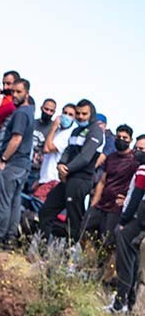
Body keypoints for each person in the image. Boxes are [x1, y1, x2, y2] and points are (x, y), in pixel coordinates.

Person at [37, 99, 105, 243]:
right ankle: (42, 250)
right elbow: (68, 150)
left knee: (73, 220)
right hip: (67, 178)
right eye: (78, 113)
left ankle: (70, 258)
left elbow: (85, 157)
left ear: (91, 114)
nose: (80, 116)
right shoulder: (76, 130)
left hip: (81, 180)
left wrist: (67, 168)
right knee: (46, 211)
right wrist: (61, 164)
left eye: (84, 114)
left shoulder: (96, 131)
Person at [0, 78, 35, 248]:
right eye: (13, 91)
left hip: (13, 162)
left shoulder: (20, 113)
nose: (15, 95)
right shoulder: (29, 113)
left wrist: (4, 158)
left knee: (3, 200)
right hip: (23, 164)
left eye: (19, 92)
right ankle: (9, 238)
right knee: (14, 202)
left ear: (27, 93)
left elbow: (16, 138)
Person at [85, 126, 140, 246]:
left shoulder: (135, 160)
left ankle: (104, 264)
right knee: (85, 231)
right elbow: (102, 181)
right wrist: (94, 203)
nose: (121, 140)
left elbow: (138, 185)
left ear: (130, 140)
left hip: (116, 207)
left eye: (125, 138)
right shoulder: (111, 157)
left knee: (108, 241)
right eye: (119, 137)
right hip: (101, 203)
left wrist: (127, 201)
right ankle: (89, 262)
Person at [109, 140, 145, 312]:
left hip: (136, 219)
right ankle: (129, 302)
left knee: (126, 262)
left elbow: (137, 197)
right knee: (133, 260)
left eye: (142, 149)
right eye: (137, 148)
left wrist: (123, 221)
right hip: (138, 220)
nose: (138, 152)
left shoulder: (143, 170)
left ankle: (120, 302)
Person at [34, 104, 76, 201]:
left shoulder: (67, 134)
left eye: (70, 115)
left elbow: (47, 148)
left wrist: (53, 127)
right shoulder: (59, 131)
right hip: (45, 177)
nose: (66, 116)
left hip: (53, 179)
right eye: (65, 113)